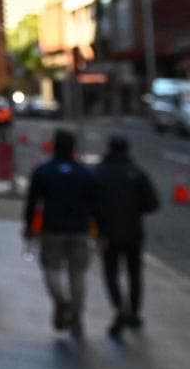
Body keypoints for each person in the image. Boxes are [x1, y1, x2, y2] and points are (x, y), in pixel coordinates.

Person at [23, 129, 99, 338]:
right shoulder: (85, 174)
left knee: (51, 269)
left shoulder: (44, 171)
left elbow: (32, 202)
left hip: (52, 229)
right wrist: (98, 229)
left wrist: (29, 226)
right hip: (79, 230)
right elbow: (95, 204)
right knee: (77, 274)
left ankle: (61, 300)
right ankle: (76, 314)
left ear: (54, 145)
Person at [93, 135, 160, 339]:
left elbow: (91, 201)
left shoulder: (100, 173)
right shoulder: (137, 173)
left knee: (111, 272)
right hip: (133, 231)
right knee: (134, 273)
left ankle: (119, 307)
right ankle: (134, 311)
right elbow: (152, 204)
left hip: (108, 231)